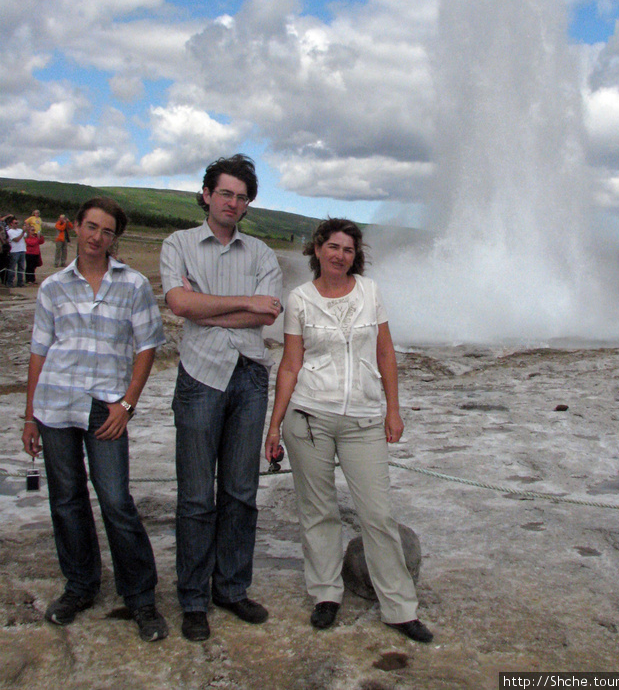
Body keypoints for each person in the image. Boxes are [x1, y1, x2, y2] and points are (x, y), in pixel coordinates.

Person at [264, 218, 433, 644]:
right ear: (317, 249)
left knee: (377, 514)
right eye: (333, 247)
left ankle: (399, 607)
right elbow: (290, 364)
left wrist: (393, 409)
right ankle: (325, 595)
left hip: (363, 418)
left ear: (356, 256)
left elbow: (385, 352)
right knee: (318, 511)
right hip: (309, 418)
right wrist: (274, 423)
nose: (340, 255)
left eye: (349, 249)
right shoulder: (299, 299)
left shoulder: (370, 292)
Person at [22, 197, 169, 642]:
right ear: (76, 227)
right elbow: (39, 352)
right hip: (55, 406)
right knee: (66, 500)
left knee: (116, 500)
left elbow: (148, 346)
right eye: (90, 226)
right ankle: (80, 586)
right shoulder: (53, 286)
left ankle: (140, 597)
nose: (96, 237)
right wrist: (29, 417)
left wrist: (127, 404)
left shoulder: (134, 284)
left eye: (106, 231)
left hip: (105, 407)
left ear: (114, 238)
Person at [160, 154, 283, 642]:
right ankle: (192, 599)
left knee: (240, 493)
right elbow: (178, 302)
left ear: (248, 204)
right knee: (195, 497)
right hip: (199, 377)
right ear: (207, 194)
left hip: (249, 377)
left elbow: (267, 313)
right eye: (225, 193)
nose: (233, 202)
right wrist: (241, 302)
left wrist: (206, 311)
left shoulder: (262, 254)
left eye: (241, 196)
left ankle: (231, 589)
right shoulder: (179, 243)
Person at [6, 216, 27, 287]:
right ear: (11, 224)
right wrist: (23, 232)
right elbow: (16, 239)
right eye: (15, 223)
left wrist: (27, 228)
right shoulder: (9, 232)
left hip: (22, 250)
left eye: (17, 223)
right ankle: (10, 282)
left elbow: (26, 236)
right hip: (14, 251)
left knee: (21, 268)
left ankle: (20, 282)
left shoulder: (19, 230)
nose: (16, 224)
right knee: (12, 267)